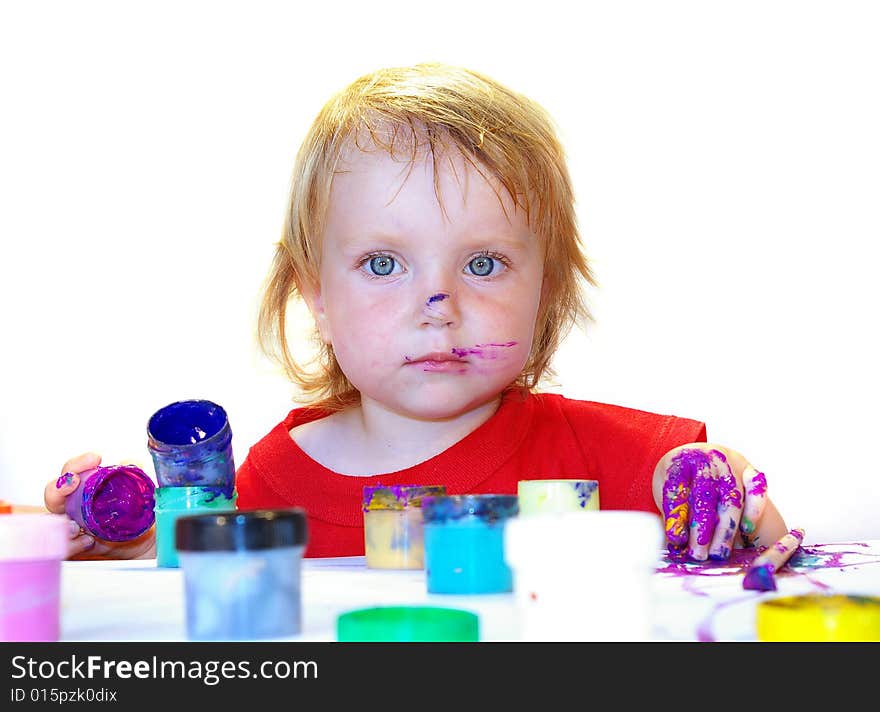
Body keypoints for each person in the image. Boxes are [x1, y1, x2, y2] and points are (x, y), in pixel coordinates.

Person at [43, 63, 787, 560]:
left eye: (484, 263)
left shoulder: (598, 454)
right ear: (315, 297)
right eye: (384, 264)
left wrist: (721, 495)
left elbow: (732, 511)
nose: (440, 305)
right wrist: (121, 548)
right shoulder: (270, 484)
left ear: (547, 291)